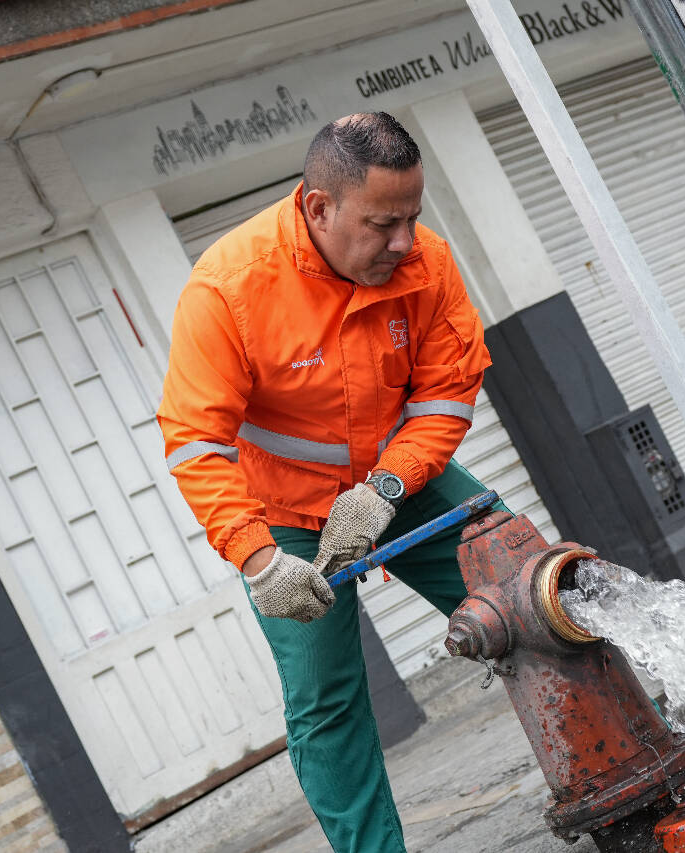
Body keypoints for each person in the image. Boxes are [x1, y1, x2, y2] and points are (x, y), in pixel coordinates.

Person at [158, 112, 496, 852]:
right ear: (318, 207)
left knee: (530, 589)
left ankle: (629, 754)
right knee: (327, 702)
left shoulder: (427, 264)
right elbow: (194, 442)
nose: (405, 241)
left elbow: (444, 397)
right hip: (281, 515)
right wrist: (257, 557)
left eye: (413, 216)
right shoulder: (228, 287)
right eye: (383, 223)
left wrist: (385, 489)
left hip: (399, 485)